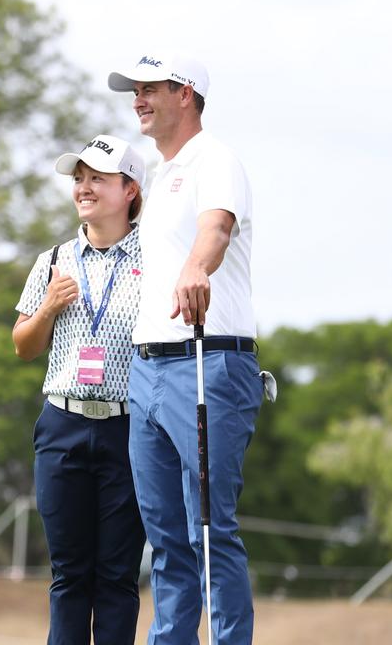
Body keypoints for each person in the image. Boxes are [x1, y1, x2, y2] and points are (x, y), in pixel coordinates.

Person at [108, 54, 263, 644]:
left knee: (209, 531)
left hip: (207, 361)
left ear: (186, 93)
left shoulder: (215, 159)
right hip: (146, 371)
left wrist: (198, 269)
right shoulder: (157, 170)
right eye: (135, 91)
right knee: (165, 536)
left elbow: (215, 229)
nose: (138, 100)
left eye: (149, 89)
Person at [13, 135, 147, 645]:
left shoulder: (155, 259)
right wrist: (47, 308)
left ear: (130, 189)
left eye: (98, 178)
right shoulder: (52, 260)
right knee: (69, 575)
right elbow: (24, 346)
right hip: (62, 425)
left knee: (116, 576)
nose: (84, 188)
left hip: (128, 427)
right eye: (78, 179)